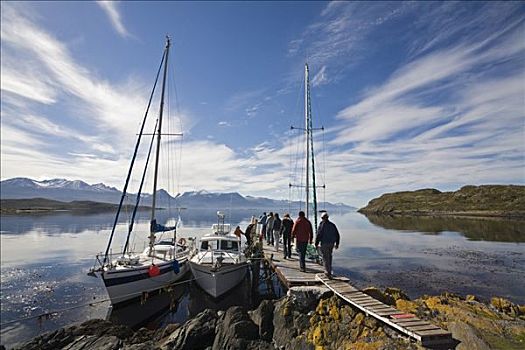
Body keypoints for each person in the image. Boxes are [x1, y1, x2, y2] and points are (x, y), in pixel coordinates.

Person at [315, 211, 340, 279]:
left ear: (322, 218)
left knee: (325, 258)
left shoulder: (322, 225)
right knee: (329, 257)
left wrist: (316, 243)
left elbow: (319, 235)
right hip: (331, 244)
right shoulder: (332, 225)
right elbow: (337, 235)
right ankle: (329, 270)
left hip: (324, 243)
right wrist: (337, 244)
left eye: (322, 218)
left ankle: (327, 272)